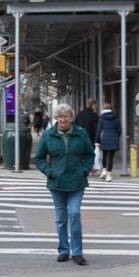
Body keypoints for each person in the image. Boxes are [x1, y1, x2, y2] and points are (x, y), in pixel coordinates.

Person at [32, 104, 93, 265]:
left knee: (74, 214)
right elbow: (39, 159)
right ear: (56, 118)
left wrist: (84, 170)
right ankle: (64, 250)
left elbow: (90, 155)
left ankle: (77, 252)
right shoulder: (48, 135)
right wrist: (50, 171)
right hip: (56, 183)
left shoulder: (81, 133)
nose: (63, 119)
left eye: (66, 116)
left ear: (70, 117)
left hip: (77, 182)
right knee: (61, 219)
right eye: (60, 116)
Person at [75, 98, 101, 175]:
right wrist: (98, 139)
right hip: (90, 137)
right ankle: (89, 169)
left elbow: (75, 125)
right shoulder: (94, 115)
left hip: (79, 136)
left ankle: (82, 167)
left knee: (81, 153)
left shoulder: (80, 114)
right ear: (93, 105)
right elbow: (97, 128)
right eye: (96, 105)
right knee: (90, 154)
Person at [96, 99, 121, 181]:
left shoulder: (102, 118)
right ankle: (109, 174)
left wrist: (97, 141)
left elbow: (99, 130)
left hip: (105, 138)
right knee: (111, 157)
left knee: (105, 155)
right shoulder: (116, 118)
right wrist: (116, 136)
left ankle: (104, 170)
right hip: (114, 138)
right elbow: (119, 130)